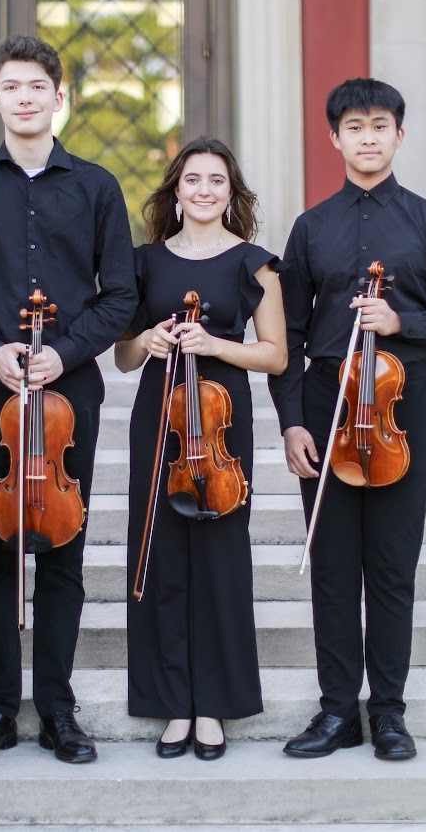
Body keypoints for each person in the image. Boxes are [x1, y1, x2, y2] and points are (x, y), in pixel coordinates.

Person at [0, 34, 137, 764]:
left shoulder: (98, 186)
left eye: (36, 87)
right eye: (10, 87)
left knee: (63, 551)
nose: (23, 97)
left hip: (70, 391)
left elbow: (123, 297)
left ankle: (57, 710)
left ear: (57, 98)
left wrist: (63, 351)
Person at [268, 78, 426, 761]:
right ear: (334, 138)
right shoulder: (311, 227)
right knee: (333, 568)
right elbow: (292, 334)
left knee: (391, 567)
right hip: (328, 402)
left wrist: (403, 320)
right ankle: (337, 712)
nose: (368, 137)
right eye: (354, 126)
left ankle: (388, 712)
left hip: (401, 404)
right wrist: (292, 423)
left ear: (399, 135)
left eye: (380, 125)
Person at [115, 137, 288, 760]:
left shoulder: (256, 263)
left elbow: (275, 354)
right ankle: (170, 703)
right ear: (176, 191)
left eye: (217, 181)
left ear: (231, 193)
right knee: (157, 557)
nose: (205, 190)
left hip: (220, 425)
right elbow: (124, 355)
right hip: (158, 416)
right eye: (194, 180)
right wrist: (151, 342)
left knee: (218, 558)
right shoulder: (145, 263)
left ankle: (213, 704)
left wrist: (214, 345)